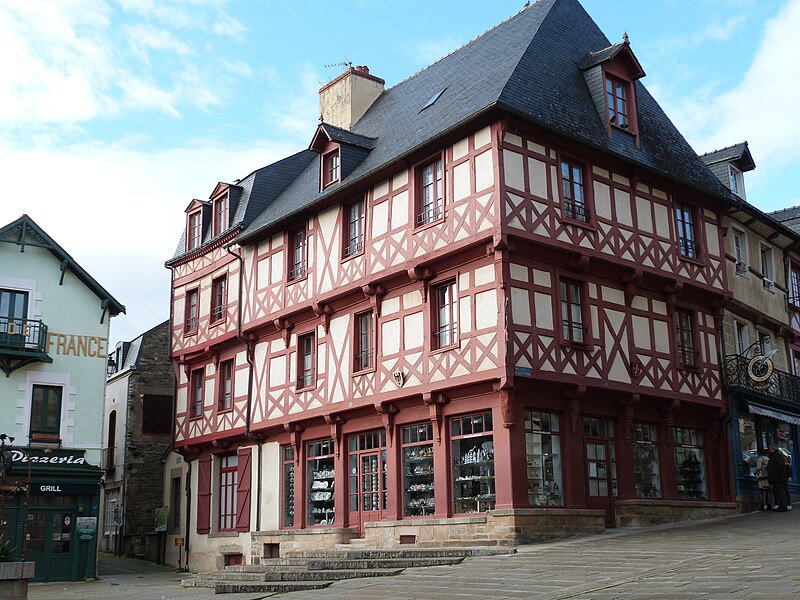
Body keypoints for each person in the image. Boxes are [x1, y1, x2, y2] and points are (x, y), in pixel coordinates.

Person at [767, 443, 789, 511]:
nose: (769, 450)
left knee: (780, 492)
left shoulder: (777, 455)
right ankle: (782, 506)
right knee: (780, 492)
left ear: (772, 449)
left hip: (778, 477)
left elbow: (780, 466)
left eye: (770, 448)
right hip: (778, 477)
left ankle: (783, 506)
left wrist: (773, 473)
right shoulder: (776, 455)